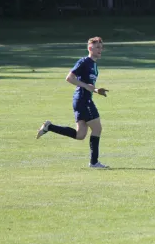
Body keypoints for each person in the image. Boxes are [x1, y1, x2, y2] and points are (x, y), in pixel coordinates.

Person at [36, 37, 110, 168]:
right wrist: (87, 87)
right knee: (97, 128)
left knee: (80, 135)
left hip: (82, 99)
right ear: (90, 48)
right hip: (83, 100)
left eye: (101, 47)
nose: (100, 50)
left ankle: (49, 127)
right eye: (97, 47)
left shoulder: (94, 64)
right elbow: (69, 78)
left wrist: (97, 90)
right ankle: (94, 162)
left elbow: (88, 84)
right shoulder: (84, 62)